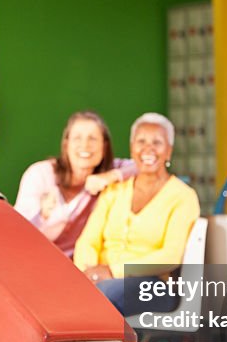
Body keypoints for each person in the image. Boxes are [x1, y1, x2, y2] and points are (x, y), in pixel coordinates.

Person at [73, 113, 200, 316]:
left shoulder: (183, 196)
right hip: (101, 280)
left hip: (154, 286)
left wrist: (113, 271)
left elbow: (170, 256)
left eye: (157, 142)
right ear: (132, 148)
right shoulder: (114, 190)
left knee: (103, 295)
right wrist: (87, 272)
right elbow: (87, 241)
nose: (148, 148)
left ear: (169, 151)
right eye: (141, 141)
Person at [14, 111, 135, 257]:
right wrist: (43, 216)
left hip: (77, 268)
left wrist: (111, 176)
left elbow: (144, 165)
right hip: (32, 260)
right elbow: (18, 232)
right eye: (77, 138)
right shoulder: (40, 174)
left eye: (93, 138)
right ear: (66, 144)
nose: (85, 145)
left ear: (105, 146)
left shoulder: (110, 172)